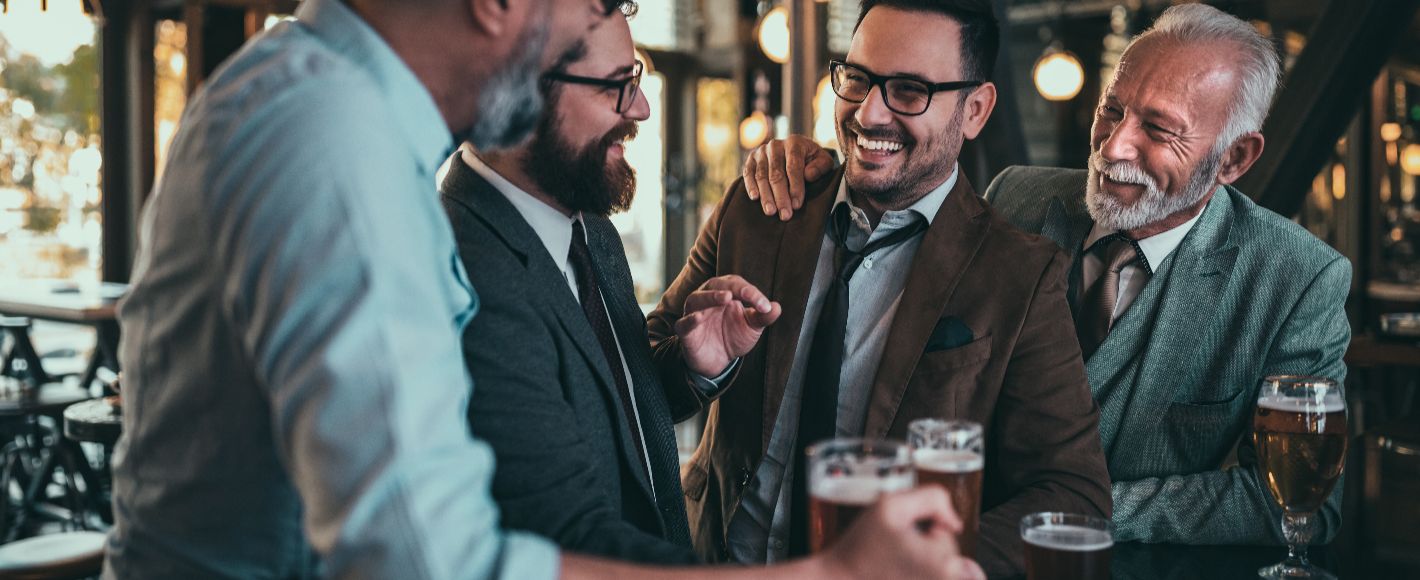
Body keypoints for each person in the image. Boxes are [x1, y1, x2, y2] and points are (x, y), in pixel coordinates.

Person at [105, 0, 985, 576]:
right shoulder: (343, 154)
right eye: (595, 9)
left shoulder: (309, 93)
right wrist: (827, 574)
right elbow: (432, 559)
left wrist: (685, 363)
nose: (634, 97)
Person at [741, 3, 1348, 547]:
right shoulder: (1013, 197)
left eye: (1159, 130)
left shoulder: (1299, 279)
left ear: (1236, 158)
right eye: (1112, 110)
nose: (1114, 147)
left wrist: (1075, 510)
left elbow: (1300, 509)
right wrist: (811, 162)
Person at [647, 1, 1110, 576]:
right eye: (858, 79)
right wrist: (696, 369)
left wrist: (918, 561)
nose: (869, 113)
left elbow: (1071, 494)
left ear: (976, 110)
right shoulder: (760, 207)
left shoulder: (1021, 273)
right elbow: (631, 388)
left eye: (910, 91)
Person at [439, 13, 779, 565]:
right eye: (617, 86)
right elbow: (569, 533)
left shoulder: (588, 228)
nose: (641, 107)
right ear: (521, 94)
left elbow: (608, 415)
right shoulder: (467, 274)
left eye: (638, 78)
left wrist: (689, 366)